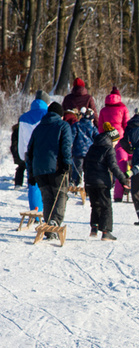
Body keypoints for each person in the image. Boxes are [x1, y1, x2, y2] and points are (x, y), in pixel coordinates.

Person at [26, 102, 73, 238]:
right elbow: (66, 146)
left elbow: (29, 152)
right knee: (60, 195)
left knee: (47, 198)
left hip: (39, 169)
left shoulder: (38, 128)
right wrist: (66, 163)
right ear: (61, 115)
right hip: (56, 167)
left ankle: (49, 229)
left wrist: (31, 173)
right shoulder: (63, 126)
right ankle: (54, 222)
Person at [83, 121, 130, 241]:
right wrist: (123, 180)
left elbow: (85, 165)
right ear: (112, 139)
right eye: (116, 142)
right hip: (101, 183)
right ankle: (106, 232)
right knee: (106, 206)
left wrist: (86, 182)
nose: (116, 144)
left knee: (95, 205)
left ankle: (94, 227)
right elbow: (114, 167)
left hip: (90, 182)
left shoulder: (93, 147)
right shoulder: (108, 149)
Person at [18, 91, 50, 212]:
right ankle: (44, 211)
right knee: (46, 182)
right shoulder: (48, 115)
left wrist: (22, 155)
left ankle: (34, 211)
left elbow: (21, 138)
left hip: (29, 154)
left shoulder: (24, 117)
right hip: (44, 154)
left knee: (32, 183)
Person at [98, 87, 131, 202]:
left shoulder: (103, 110)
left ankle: (103, 191)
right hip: (120, 139)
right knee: (120, 166)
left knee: (103, 165)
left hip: (106, 140)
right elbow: (127, 125)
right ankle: (118, 195)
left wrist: (103, 139)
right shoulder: (123, 108)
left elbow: (100, 126)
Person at [70, 107, 99, 186]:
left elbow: (71, 137)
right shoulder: (93, 127)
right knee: (88, 169)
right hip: (90, 152)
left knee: (77, 168)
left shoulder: (76, 125)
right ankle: (88, 184)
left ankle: (75, 183)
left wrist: (70, 148)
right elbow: (97, 138)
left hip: (78, 151)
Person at [11, 123, 26, 187]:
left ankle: (18, 183)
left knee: (21, 167)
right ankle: (31, 185)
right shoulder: (25, 130)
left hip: (17, 152)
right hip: (23, 151)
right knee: (28, 167)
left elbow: (13, 143)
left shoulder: (15, 130)